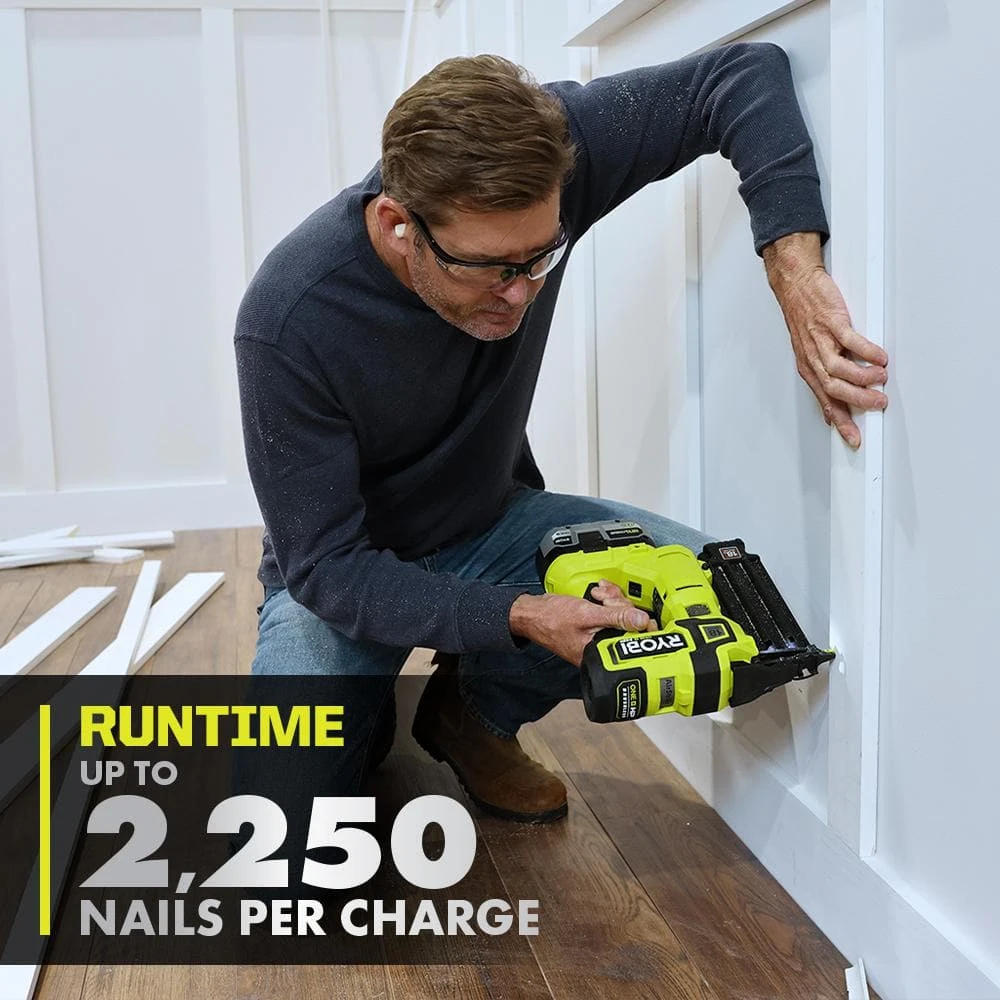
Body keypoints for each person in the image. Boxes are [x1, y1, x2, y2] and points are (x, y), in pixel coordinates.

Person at [234, 46, 889, 827]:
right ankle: (363, 717)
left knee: (721, 600)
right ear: (397, 225)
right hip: (347, 576)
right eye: (491, 268)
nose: (521, 295)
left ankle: (472, 716)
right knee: (283, 831)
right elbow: (328, 569)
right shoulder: (288, 320)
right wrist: (520, 614)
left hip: (483, 524)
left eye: (541, 256)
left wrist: (794, 270)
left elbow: (741, 76)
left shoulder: (553, 150)